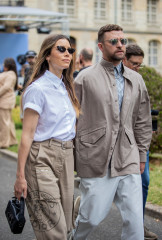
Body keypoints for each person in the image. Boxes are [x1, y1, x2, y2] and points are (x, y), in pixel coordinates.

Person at [71, 24, 152, 240]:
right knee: (91, 218)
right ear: (100, 46)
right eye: (113, 41)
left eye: (122, 41)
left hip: (128, 156)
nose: (120, 45)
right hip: (95, 157)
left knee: (135, 221)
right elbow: (72, 119)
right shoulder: (84, 79)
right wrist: (72, 155)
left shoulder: (137, 80)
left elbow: (143, 120)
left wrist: (142, 153)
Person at [14, 34, 80, 240]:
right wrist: (20, 177)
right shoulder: (37, 89)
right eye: (61, 49)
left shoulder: (66, 87)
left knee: (64, 225)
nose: (67, 53)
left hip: (67, 156)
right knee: (54, 229)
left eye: (70, 50)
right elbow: (27, 136)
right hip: (42, 157)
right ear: (47, 55)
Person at [123, 44, 158, 240]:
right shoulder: (111, 79)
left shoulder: (141, 81)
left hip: (136, 143)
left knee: (143, 182)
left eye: (140, 65)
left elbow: (147, 113)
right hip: (114, 143)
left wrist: (148, 138)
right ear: (124, 60)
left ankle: (138, 226)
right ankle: (81, 218)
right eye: (134, 64)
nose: (137, 68)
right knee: (103, 189)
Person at [0, 58, 18, 148]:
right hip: (5, 100)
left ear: (8, 65)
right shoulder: (9, 74)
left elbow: (6, 87)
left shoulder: (10, 75)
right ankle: (12, 140)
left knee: (4, 123)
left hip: (5, 101)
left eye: (4, 64)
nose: (3, 66)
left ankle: (4, 143)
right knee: (8, 121)